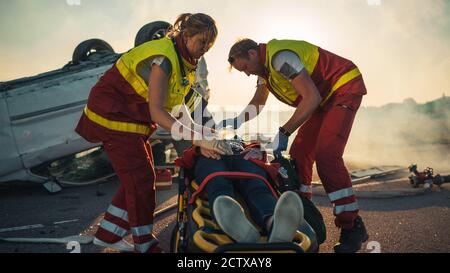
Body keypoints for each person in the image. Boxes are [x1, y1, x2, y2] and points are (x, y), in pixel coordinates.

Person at [75, 13, 233, 253]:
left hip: (130, 122)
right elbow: (158, 113)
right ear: (187, 35)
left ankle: (107, 236)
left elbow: (182, 111)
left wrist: (206, 135)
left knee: (135, 177)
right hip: (113, 117)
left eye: (209, 45)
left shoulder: (185, 64)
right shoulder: (165, 58)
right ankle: (144, 243)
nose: (205, 49)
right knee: (141, 179)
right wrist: (197, 139)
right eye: (202, 42)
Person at [221, 38, 368, 253]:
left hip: (343, 87)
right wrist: (237, 121)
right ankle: (302, 215)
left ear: (252, 54)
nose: (247, 73)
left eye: (244, 68)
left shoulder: (281, 59)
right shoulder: (265, 71)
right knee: (299, 155)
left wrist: (284, 131)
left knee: (327, 156)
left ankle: (352, 226)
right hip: (324, 99)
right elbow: (258, 102)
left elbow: (311, 98)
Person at [194, 142, 304, 244]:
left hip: (242, 155)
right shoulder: (199, 139)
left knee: (257, 185)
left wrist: (258, 151)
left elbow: (260, 151)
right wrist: (199, 147)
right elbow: (187, 153)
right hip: (209, 156)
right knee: (219, 185)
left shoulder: (238, 141)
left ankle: (275, 224)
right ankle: (237, 226)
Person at [151, 57, 214, 189]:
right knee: (189, 150)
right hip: (184, 113)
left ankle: (162, 172)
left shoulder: (167, 80)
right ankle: (188, 175)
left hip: (184, 112)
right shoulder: (177, 82)